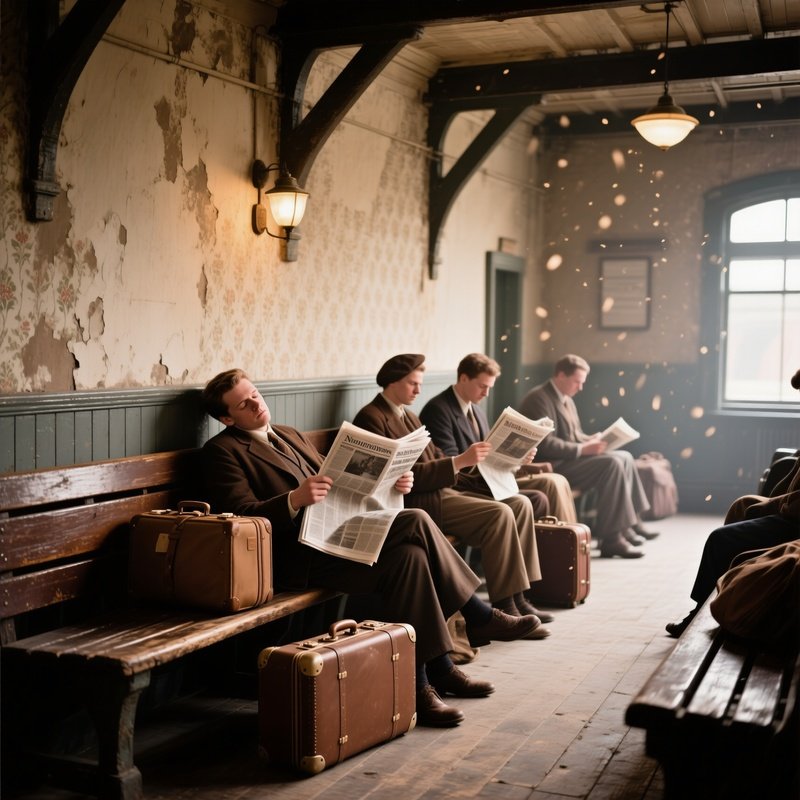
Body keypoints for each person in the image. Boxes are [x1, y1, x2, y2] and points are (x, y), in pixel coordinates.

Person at [201, 369, 543, 729]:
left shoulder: (287, 434)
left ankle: (431, 677)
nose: (257, 403)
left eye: (255, 393)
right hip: (299, 555)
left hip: (339, 537)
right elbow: (241, 517)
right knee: (416, 521)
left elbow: (342, 484)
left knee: (410, 558)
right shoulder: (222, 452)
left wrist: (394, 482)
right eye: (244, 403)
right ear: (227, 418)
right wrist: (293, 499)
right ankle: (477, 616)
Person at [352, 354, 553, 628]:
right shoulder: (371, 417)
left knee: (517, 504)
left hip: (441, 488)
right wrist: (459, 461)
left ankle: (518, 597)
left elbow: (434, 457)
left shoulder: (408, 415)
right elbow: (391, 477)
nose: (418, 390)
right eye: (412, 383)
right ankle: (505, 603)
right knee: (501, 513)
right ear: (393, 382)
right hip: (420, 500)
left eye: (419, 383)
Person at [666, 368, 800, 638]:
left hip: (796, 520)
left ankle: (701, 611)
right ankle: (716, 597)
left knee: (721, 540)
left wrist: (771, 506)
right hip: (792, 510)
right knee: (743, 505)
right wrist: (771, 502)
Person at [517, 353, 657, 559]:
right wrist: (583, 449)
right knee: (612, 464)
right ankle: (612, 539)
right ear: (561, 375)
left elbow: (573, 435)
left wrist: (589, 439)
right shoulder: (538, 399)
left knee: (624, 456)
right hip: (553, 465)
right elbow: (545, 443)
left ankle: (630, 523)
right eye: (577, 382)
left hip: (570, 460)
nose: (580, 387)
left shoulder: (566, 398)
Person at [419, 352, 580, 525]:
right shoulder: (438, 410)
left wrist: (519, 459)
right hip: (467, 484)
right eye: (482, 386)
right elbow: (450, 461)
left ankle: (566, 543)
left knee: (553, 484)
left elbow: (491, 451)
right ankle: (551, 547)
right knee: (539, 496)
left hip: (492, 477)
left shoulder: (476, 410)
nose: (486, 393)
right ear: (464, 378)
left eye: (489, 387)